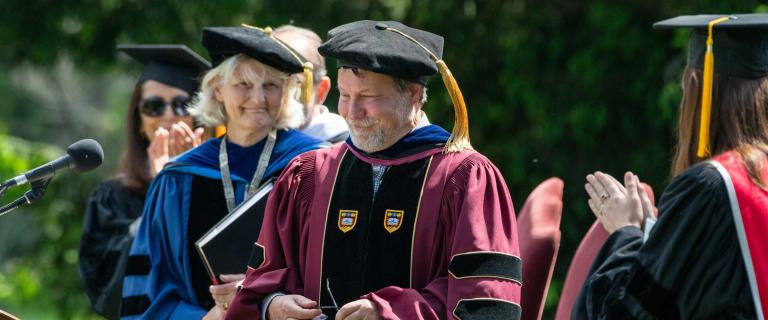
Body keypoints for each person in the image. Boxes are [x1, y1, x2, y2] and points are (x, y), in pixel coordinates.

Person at [226, 20, 522, 320]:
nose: (351, 112)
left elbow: (485, 302)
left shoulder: (464, 178)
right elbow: (262, 282)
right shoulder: (310, 174)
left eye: (368, 97)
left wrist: (393, 312)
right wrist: (271, 305)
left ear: (415, 95)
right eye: (344, 95)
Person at [119, 26, 326, 320]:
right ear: (217, 89)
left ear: (287, 91)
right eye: (243, 84)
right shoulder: (178, 177)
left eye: (271, 85)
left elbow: (331, 264)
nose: (258, 98)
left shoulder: (315, 165)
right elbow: (151, 285)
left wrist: (260, 298)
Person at [575, 14, 768, 319]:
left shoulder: (710, 188)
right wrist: (656, 232)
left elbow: (630, 313)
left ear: (696, 90)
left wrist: (625, 233)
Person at [78, 44, 210, 320]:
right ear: (139, 120)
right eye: (153, 106)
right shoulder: (112, 196)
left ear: (199, 116)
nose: (168, 115)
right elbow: (105, 289)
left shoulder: (225, 184)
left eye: (182, 104)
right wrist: (163, 190)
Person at [273, 25, 349, 143]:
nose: (275, 95)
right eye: (269, 84)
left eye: (293, 84)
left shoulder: (342, 148)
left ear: (321, 91)